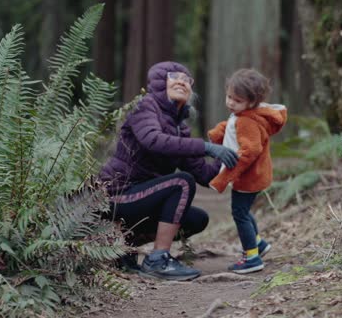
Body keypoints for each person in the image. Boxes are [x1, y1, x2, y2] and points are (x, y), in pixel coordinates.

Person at [98, 61, 239, 281]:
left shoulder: (179, 128)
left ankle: (122, 250)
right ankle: (158, 259)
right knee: (181, 183)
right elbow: (153, 140)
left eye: (187, 79)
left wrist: (235, 152)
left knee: (196, 219)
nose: (182, 81)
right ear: (158, 82)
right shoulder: (144, 106)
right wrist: (206, 147)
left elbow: (203, 174)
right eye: (174, 76)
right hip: (116, 195)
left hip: (141, 197)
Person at [208, 69, 287, 274]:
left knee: (240, 214)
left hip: (248, 177)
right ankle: (259, 244)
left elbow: (250, 150)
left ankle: (251, 257)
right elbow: (233, 125)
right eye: (229, 97)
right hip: (257, 175)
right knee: (244, 211)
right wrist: (219, 133)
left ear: (251, 102)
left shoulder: (247, 120)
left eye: (237, 100)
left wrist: (225, 177)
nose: (231, 103)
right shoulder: (245, 114)